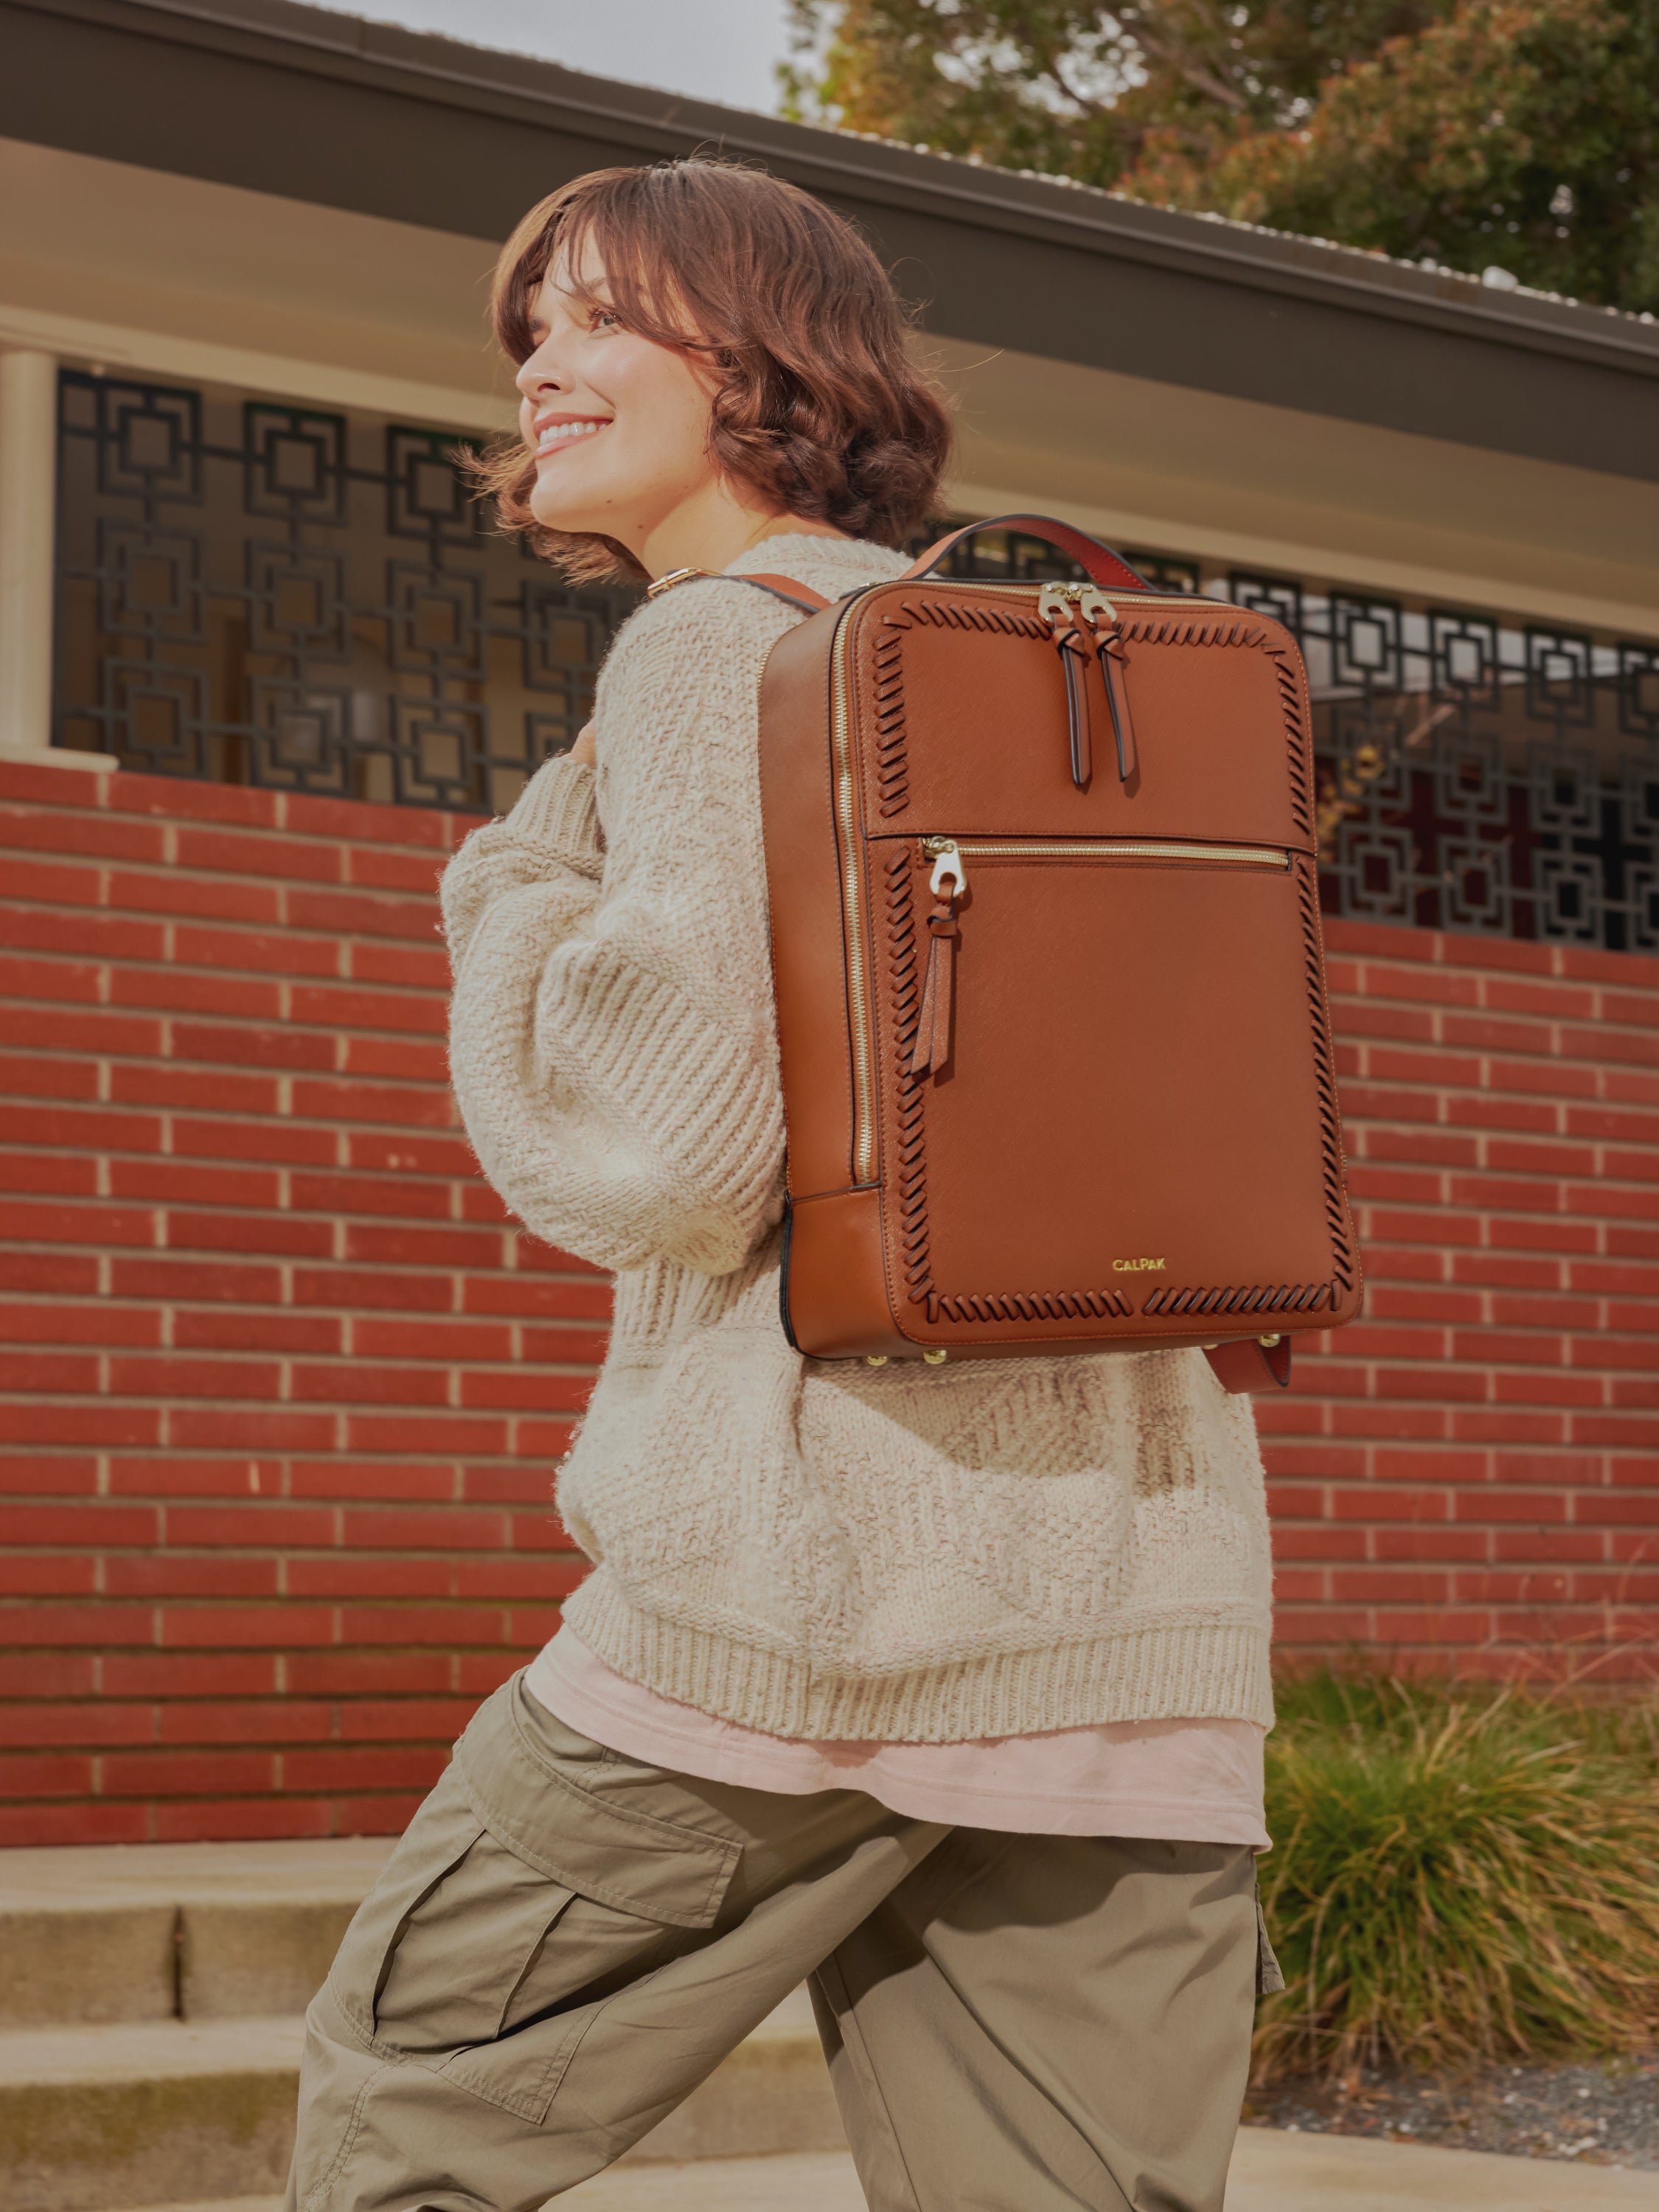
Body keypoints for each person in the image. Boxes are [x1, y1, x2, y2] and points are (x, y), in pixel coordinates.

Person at [285, 157, 1281, 2212]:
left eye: (600, 316)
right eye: (529, 329)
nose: (543, 365)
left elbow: (655, 1162)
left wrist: (507, 891)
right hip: (1135, 1626)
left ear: (757, 353)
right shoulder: (985, 640)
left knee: (407, 2107)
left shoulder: (709, 653)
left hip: (794, 1614)